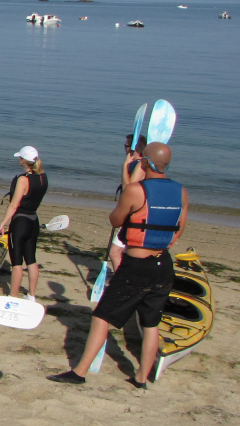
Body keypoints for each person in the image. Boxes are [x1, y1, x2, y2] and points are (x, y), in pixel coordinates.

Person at [48, 142, 187, 388]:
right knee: (150, 322)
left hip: (138, 265)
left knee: (102, 316)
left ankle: (79, 372)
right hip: (163, 264)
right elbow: (179, 230)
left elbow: (115, 219)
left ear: (145, 162)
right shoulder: (181, 191)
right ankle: (142, 377)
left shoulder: (136, 190)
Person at [0, 146, 49, 299]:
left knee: (17, 262)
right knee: (31, 259)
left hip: (20, 223)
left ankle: (12, 296)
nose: (19, 159)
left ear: (23, 160)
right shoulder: (43, 177)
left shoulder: (23, 179)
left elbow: (14, 205)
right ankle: (31, 295)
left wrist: (3, 223)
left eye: (20, 157)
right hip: (33, 221)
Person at [109, 133, 147, 272]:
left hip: (135, 215)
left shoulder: (141, 164)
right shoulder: (139, 163)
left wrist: (124, 166)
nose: (123, 148)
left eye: (125, 146)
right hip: (132, 213)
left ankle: (121, 283)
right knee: (123, 252)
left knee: (115, 252)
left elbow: (128, 189)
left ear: (132, 149)